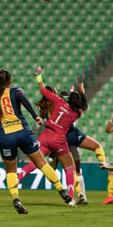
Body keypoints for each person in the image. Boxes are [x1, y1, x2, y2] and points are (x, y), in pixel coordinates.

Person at [0, 69, 72, 214]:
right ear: (9, 81)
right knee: (41, 163)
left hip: (5, 136)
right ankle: (61, 190)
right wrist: (35, 116)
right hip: (23, 132)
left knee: (11, 171)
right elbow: (25, 102)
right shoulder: (16, 91)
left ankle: (16, 198)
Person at [18, 88, 113, 204]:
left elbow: (52, 99)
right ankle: (78, 194)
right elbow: (80, 106)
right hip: (66, 136)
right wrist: (79, 92)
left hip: (51, 136)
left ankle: (17, 179)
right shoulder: (70, 107)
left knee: (43, 163)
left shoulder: (55, 103)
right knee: (74, 168)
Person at [30, 67, 89, 207]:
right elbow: (83, 105)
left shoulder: (58, 101)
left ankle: (16, 182)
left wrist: (38, 77)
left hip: (47, 136)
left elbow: (44, 91)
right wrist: (80, 93)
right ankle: (74, 196)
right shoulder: (77, 113)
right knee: (71, 168)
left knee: (39, 162)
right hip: (62, 141)